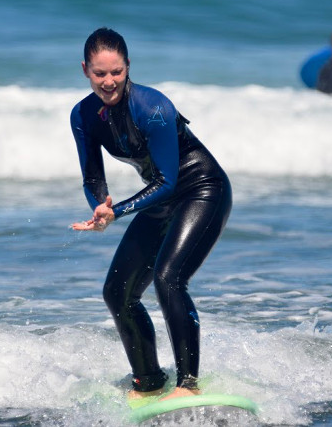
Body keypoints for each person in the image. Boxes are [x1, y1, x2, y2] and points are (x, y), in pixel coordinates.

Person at [69, 27, 232, 402]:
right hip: (161, 197)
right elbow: (92, 176)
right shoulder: (83, 115)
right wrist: (99, 203)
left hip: (200, 190)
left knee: (169, 278)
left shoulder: (153, 106)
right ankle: (149, 381)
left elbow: (168, 180)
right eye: (99, 73)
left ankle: (188, 385)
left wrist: (120, 211)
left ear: (128, 67)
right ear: (85, 70)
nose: (109, 82)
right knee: (117, 293)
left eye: (117, 72)